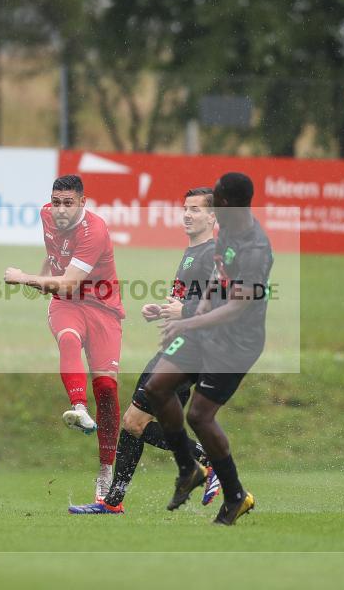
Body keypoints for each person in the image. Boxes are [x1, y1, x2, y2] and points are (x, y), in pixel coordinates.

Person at [68, 187, 222, 515]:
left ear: (212, 217)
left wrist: (184, 310)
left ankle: (209, 459)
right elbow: (189, 299)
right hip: (181, 346)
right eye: (185, 208)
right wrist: (164, 310)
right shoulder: (194, 251)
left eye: (195, 209)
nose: (187, 214)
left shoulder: (213, 253)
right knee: (140, 424)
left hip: (191, 351)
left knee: (133, 422)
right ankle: (115, 500)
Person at [144, 172, 273, 525]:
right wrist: (196, 311)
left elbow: (236, 308)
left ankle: (235, 496)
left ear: (229, 204)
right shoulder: (227, 230)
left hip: (237, 343)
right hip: (206, 329)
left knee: (199, 416)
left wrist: (187, 323)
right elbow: (218, 279)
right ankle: (189, 469)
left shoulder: (256, 250)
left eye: (216, 199)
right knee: (156, 387)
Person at [4, 174, 124, 501]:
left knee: (107, 388)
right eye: (56, 202)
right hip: (67, 304)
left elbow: (70, 281)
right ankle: (78, 407)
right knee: (68, 338)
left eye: (68, 203)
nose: (60, 209)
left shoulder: (94, 230)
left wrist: (25, 278)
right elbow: (55, 255)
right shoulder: (46, 215)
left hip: (103, 309)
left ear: (83, 202)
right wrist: (46, 273)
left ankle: (105, 470)